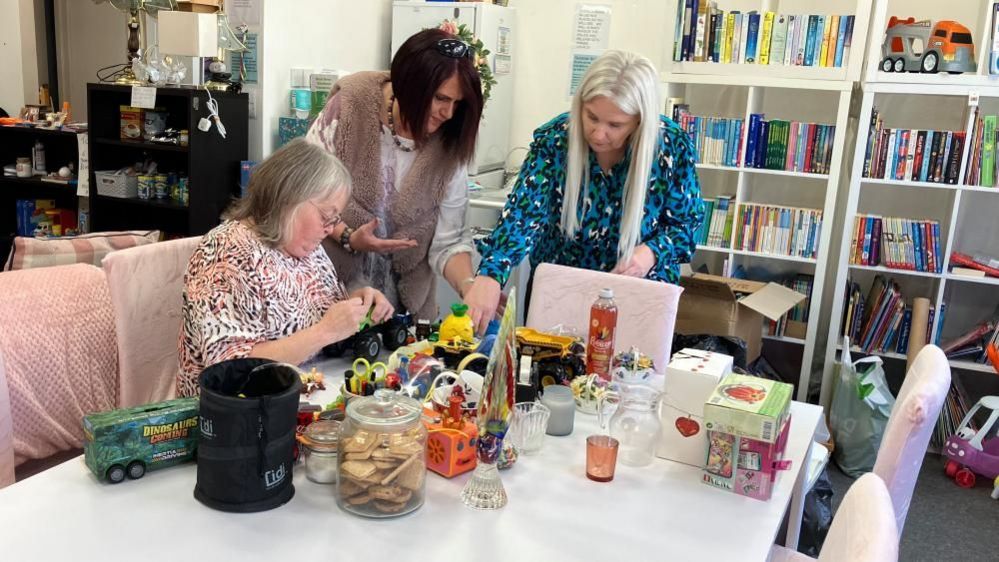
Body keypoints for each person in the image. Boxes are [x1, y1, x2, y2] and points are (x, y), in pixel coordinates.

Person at [463, 50, 705, 333]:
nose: (599, 134)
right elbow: (522, 216)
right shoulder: (556, 140)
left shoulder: (670, 146)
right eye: (591, 117)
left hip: (638, 293)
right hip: (561, 291)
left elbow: (687, 227)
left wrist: (650, 252)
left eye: (615, 125)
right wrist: (490, 275)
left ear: (639, 121)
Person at [177, 139, 393, 397]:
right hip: (237, 418)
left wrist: (357, 305)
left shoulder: (303, 247)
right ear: (287, 199)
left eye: (335, 220)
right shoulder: (226, 253)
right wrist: (324, 332)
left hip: (305, 394)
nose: (329, 229)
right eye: (326, 217)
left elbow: (324, 314)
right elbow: (230, 371)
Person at [307, 27, 485, 321]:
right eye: (441, 98)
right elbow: (303, 200)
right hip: (333, 298)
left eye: (458, 103)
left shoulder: (451, 141)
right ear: (410, 85)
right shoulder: (350, 107)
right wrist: (349, 237)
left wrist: (470, 287)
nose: (448, 113)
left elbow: (449, 242)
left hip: (407, 314)